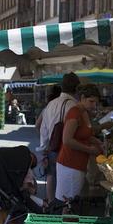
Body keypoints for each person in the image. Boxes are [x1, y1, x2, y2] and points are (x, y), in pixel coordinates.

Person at [55, 84, 104, 209]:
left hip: (78, 165)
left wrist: (96, 141)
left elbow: (82, 135)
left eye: (95, 102)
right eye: (91, 101)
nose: (94, 105)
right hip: (69, 164)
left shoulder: (84, 113)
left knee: (73, 201)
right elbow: (67, 140)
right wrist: (89, 149)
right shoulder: (74, 113)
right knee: (68, 203)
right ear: (82, 98)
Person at [36, 74, 80, 205]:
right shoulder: (74, 105)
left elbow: (42, 127)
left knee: (51, 175)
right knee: (64, 178)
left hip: (52, 146)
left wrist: (44, 146)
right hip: (66, 148)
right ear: (77, 88)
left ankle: (51, 204)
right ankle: (64, 205)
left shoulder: (51, 104)